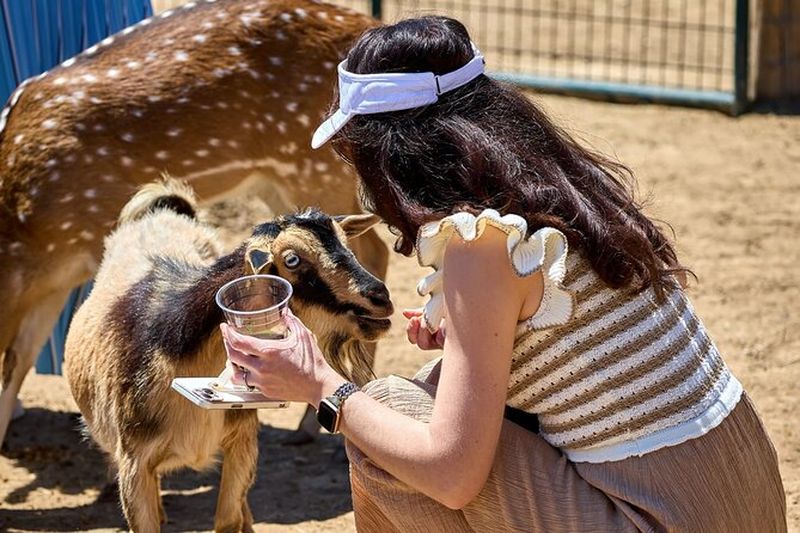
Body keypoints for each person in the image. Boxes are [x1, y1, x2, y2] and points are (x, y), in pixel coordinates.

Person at [220, 16, 787, 532]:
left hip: (660, 514)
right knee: (428, 395)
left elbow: (452, 475)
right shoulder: (559, 185)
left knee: (385, 414)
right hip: (739, 489)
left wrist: (321, 385)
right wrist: (473, 338)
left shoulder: (480, 244)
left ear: (394, 155)